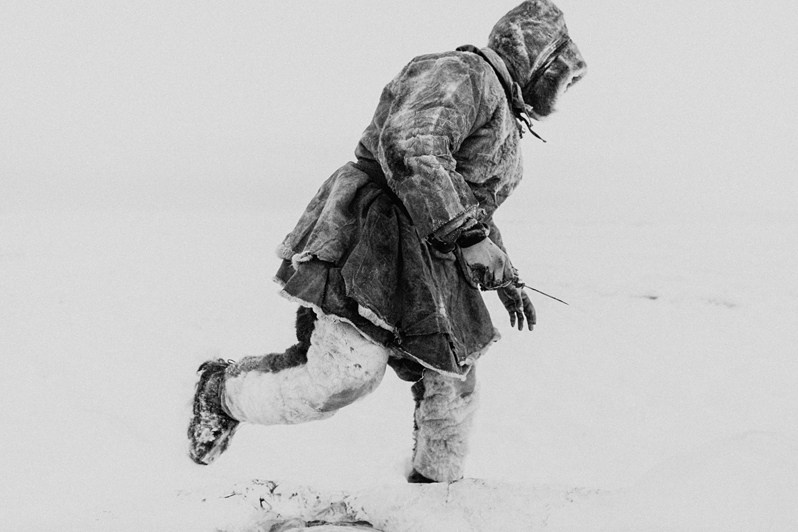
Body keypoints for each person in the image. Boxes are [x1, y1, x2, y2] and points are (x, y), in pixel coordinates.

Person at [188, 0, 586, 483]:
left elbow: (471, 201)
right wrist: (468, 236)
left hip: (435, 256)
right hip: (377, 237)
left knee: (453, 384)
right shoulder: (462, 73)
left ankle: (433, 493)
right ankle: (223, 392)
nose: (564, 91)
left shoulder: (505, 112)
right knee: (344, 375)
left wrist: (503, 273)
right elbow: (409, 144)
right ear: (540, 61)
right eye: (563, 77)